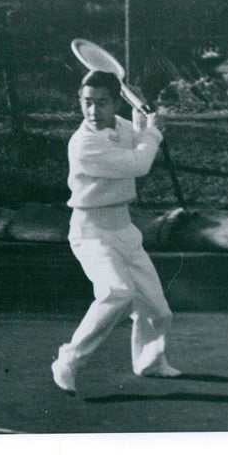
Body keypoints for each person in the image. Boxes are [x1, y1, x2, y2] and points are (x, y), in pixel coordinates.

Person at [51, 69, 181, 394]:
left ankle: (150, 362)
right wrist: (154, 133)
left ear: (115, 104)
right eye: (87, 103)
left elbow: (136, 140)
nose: (93, 111)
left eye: (102, 103)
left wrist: (143, 125)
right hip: (91, 231)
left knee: (158, 310)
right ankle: (67, 361)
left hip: (124, 227)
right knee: (117, 292)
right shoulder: (84, 144)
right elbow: (139, 163)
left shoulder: (119, 125)